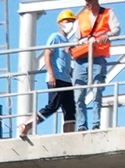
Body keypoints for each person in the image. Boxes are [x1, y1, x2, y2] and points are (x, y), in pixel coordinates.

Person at [19, 11, 82, 139]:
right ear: (60, 23)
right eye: (67, 21)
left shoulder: (67, 42)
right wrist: (51, 74)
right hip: (56, 77)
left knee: (70, 109)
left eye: (72, 21)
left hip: (66, 79)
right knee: (53, 106)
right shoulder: (55, 37)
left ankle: (69, 137)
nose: (70, 24)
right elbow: (47, 54)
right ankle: (26, 125)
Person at [72, 0, 117, 129]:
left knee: (97, 90)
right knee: (78, 94)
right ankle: (81, 124)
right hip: (82, 57)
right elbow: (77, 38)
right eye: (86, 0)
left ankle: (96, 123)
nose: (87, 2)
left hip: (98, 56)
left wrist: (106, 35)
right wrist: (74, 45)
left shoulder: (108, 13)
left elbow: (116, 29)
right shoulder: (81, 17)